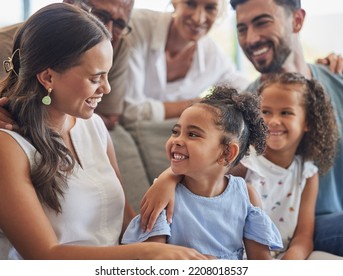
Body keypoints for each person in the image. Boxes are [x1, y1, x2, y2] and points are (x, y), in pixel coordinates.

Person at [0, 3, 211, 260]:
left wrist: (169, 182)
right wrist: (146, 253)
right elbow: (45, 256)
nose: (107, 88)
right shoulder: (9, 147)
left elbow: (125, 223)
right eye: (95, 78)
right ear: (48, 78)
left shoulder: (95, 127)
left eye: (107, 75)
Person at [228, 0, 343, 257]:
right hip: (306, 228)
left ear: (297, 20)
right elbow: (208, 169)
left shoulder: (337, 79)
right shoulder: (244, 110)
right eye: (242, 28)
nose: (251, 38)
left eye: (262, 22)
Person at [121, 85, 283, 259]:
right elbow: (153, 260)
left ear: (227, 153)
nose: (177, 140)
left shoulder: (246, 196)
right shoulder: (164, 196)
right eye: (176, 131)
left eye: (192, 134)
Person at [232, 72, 339, 259]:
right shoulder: (244, 162)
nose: (273, 121)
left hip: (283, 257)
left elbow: (304, 236)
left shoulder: (307, 173)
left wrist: (290, 263)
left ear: (307, 122)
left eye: (286, 112)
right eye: (265, 112)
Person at [0, 0, 134, 131]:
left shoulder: (117, 44)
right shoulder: (5, 44)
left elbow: (110, 117)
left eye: (119, 24)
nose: (108, 31)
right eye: (100, 15)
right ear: (69, 3)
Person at [121, 0, 250, 124]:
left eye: (210, 8)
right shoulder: (138, 26)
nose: (198, 19)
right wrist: (200, 104)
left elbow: (247, 90)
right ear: (174, 2)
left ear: (220, 11)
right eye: (190, 3)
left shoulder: (213, 57)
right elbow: (129, 111)